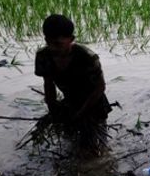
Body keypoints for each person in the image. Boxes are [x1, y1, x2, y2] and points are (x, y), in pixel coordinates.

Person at [35, 14, 112, 152]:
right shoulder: (43, 56)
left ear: (71, 39)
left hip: (93, 103)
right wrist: (53, 110)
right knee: (71, 143)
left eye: (58, 44)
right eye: (49, 42)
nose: (53, 48)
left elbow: (100, 87)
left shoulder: (87, 57)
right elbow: (48, 84)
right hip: (70, 102)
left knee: (97, 147)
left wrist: (81, 112)